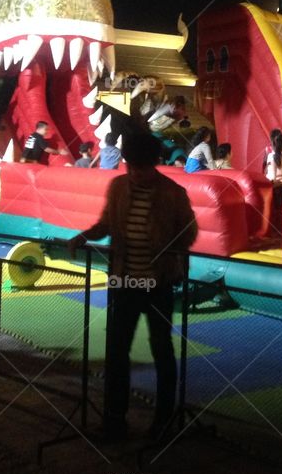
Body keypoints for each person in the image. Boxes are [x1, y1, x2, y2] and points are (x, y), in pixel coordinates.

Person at [67, 130, 197, 442]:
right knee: (116, 352)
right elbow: (106, 223)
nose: (135, 174)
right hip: (124, 280)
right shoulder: (118, 187)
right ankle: (114, 421)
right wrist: (83, 236)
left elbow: (189, 234)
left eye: (141, 168)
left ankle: (163, 421)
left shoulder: (173, 193)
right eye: (131, 167)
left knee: (161, 349)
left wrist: (169, 251)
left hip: (158, 284)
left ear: (155, 163)